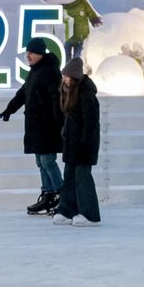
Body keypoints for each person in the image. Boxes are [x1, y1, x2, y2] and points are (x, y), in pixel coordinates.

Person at [0, 39, 65, 215]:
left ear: (41, 54)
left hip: (48, 125)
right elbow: (23, 93)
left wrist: (60, 124)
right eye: (27, 52)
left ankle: (63, 194)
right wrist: (9, 109)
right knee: (40, 161)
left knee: (47, 160)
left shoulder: (51, 71)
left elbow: (56, 99)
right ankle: (48, 195)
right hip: (36, 125)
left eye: (32, 52)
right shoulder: (35, 71)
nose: (28, 55)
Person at [51, 57, 101, 226]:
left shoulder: (86, 95)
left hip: (84, 144)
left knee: (82, 178)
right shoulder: (68, 93)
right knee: (70, 177)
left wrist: (85, 143)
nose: (64, 79)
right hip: (72, 143)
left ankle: (90, 214)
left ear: (75, 77)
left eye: (67, 76)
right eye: (63, 76)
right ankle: (67, 210)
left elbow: (91, 122)